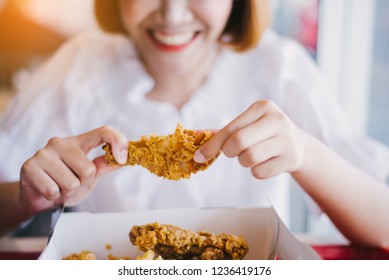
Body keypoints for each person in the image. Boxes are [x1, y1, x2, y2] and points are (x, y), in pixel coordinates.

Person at [0, 0, 388, 248]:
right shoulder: (77, 67)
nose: (172, 15)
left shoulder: (281, 67)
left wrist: (308, 154)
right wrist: (27, 198)